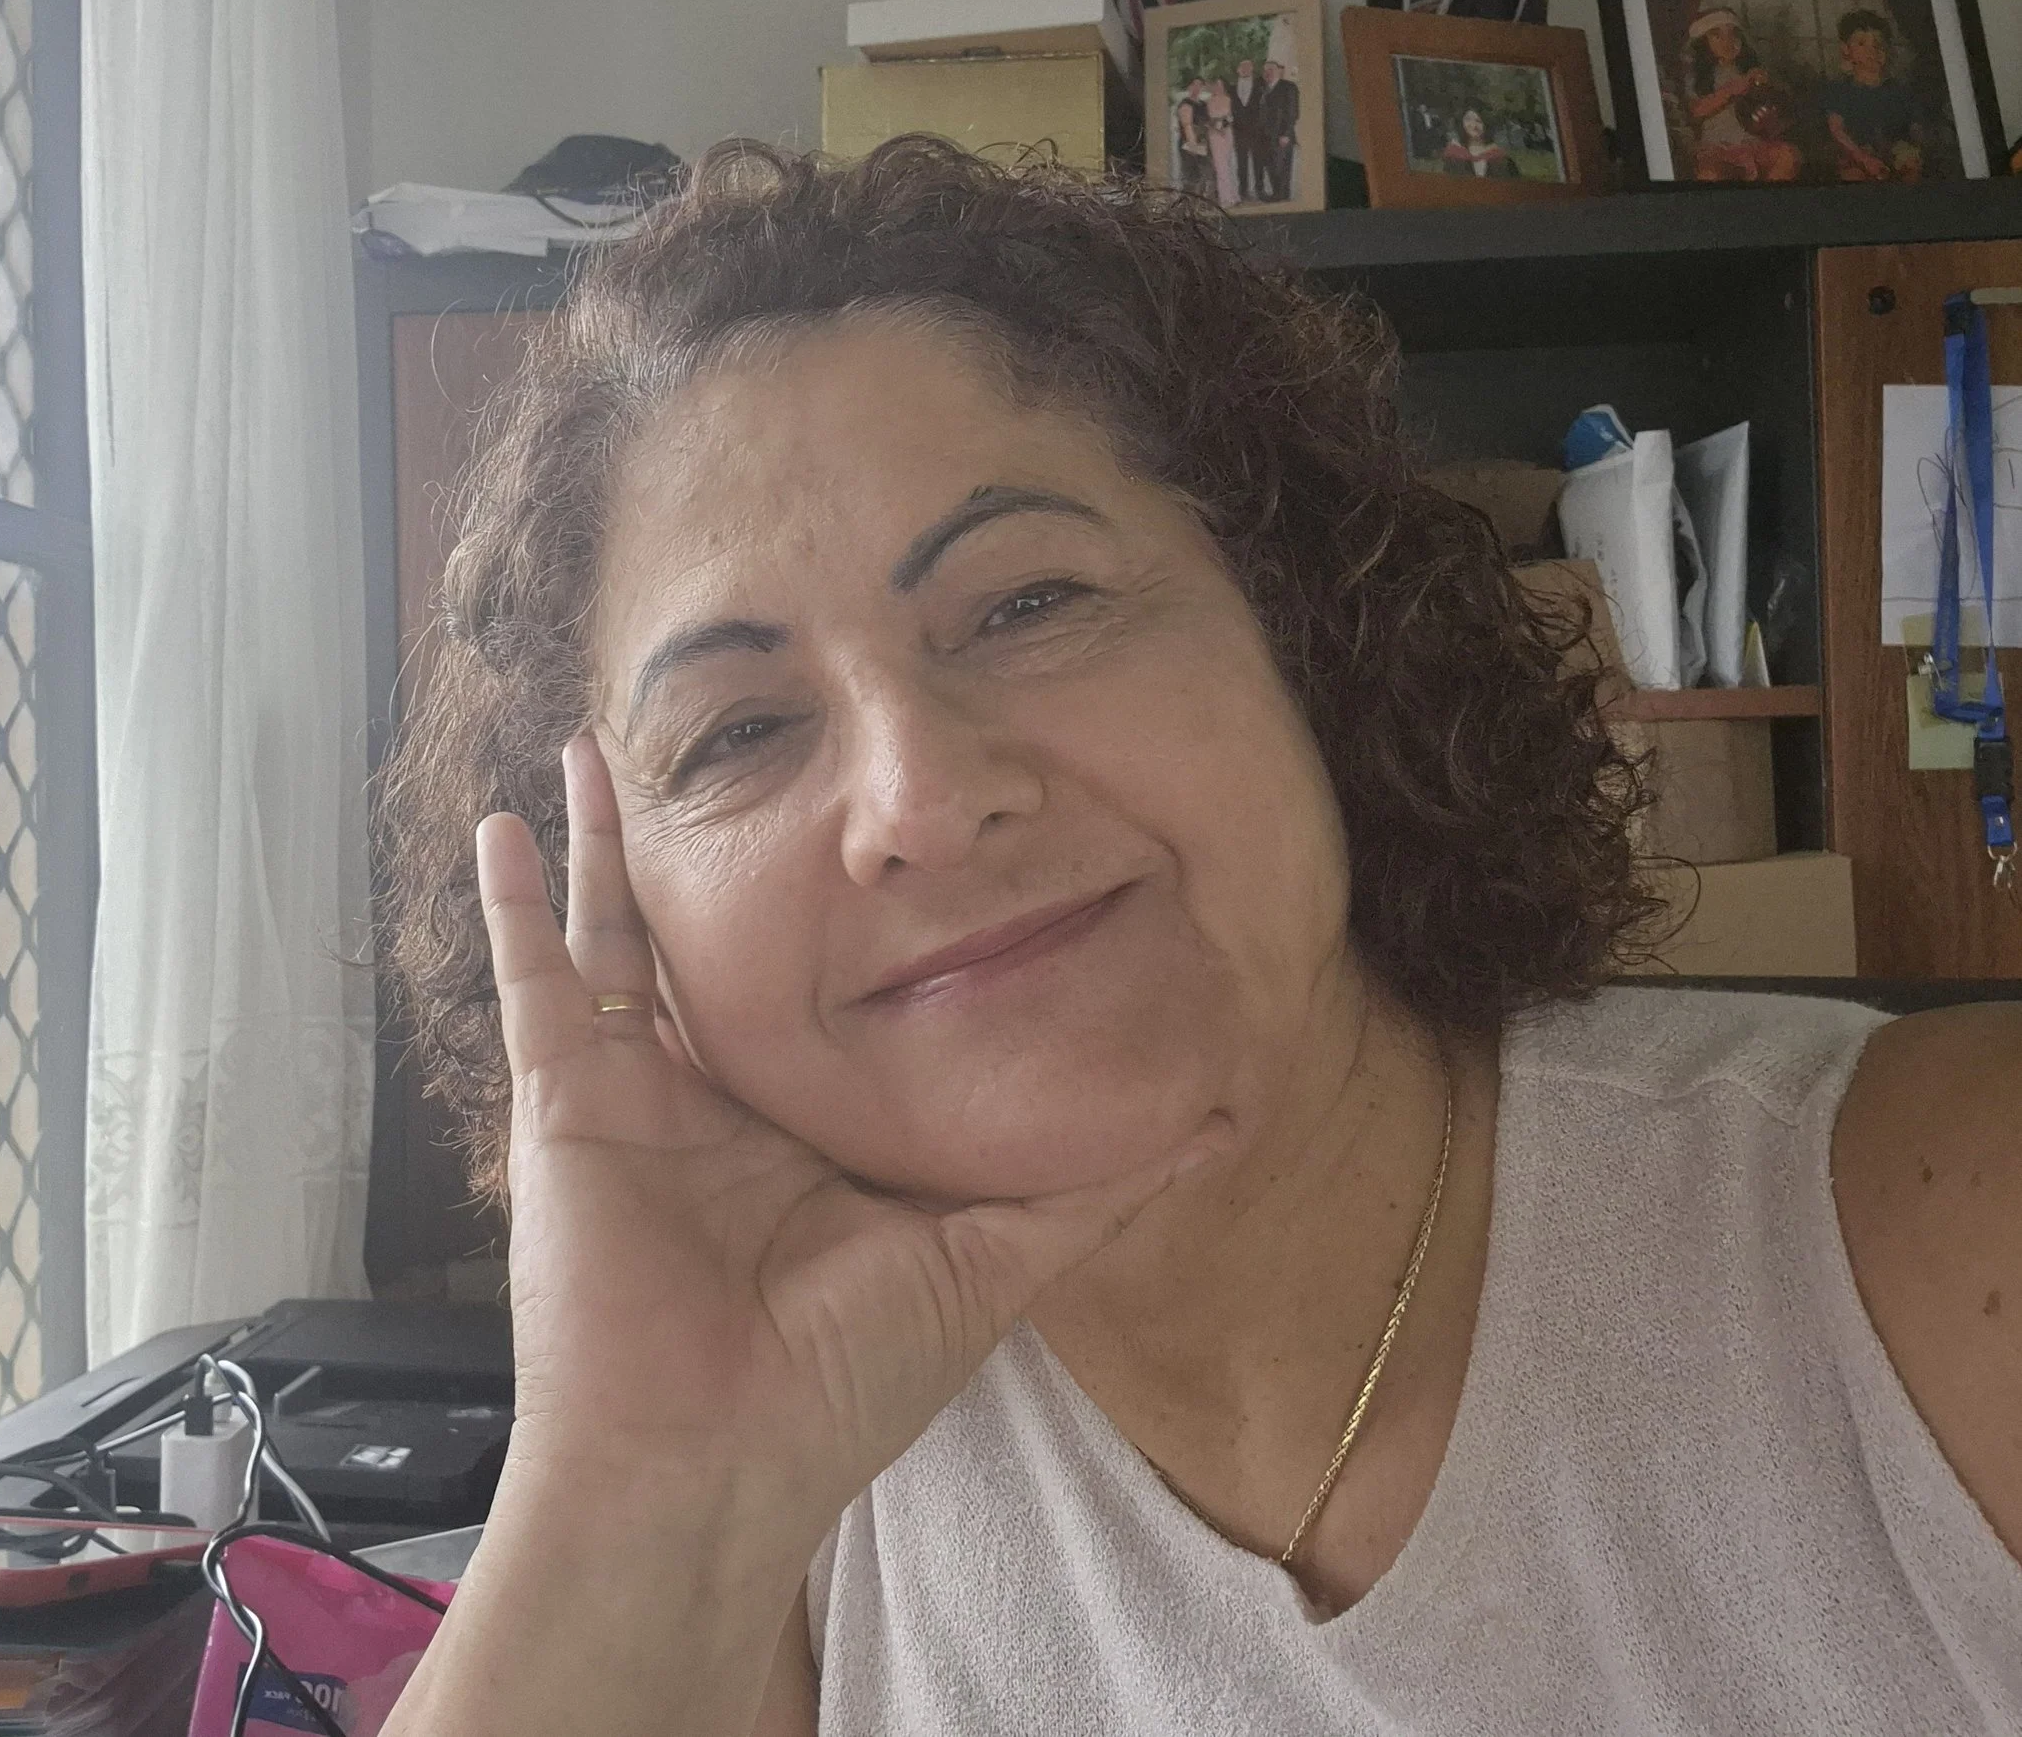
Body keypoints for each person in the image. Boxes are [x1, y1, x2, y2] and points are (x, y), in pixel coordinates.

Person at [375, 141, 2022, 1735]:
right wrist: (636, 1481)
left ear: (1314, 645)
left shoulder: (1935, 1243)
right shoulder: (767, 1515)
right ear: (627, 934)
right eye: (735, 734)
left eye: (1028, 604)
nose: (922, 799)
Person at [1683, 5, 1802, 182]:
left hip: (1751, 143)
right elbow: (1696, 111)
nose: (1728, 41)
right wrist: (1733, 89)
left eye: (1733, 34)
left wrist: (1765, 89)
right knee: (1710, 175)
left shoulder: (1747, 69)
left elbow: (1775, 107)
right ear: (1703, 41)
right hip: (1718, 147)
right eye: (1717, 35)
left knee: (1788, 156)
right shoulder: (1699, 75)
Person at [1822, 7, 1926, 182]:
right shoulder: (1840, 90)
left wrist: (1915, 148)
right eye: (1862, 44)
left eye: (1878, 45)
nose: (1872, 51)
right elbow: (1837, 130)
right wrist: (1863, 158)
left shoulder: (1900, 92)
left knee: (1911, 166)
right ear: (1846, 49)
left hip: (1894, 153)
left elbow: (1916, 129)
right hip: (1855, 154)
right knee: (1852, 176)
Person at [1257, 57, 1300, 205]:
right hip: (1266, 136)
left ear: (1278, 71)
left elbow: (1293, 113)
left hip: (1282, 136)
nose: (1267, 73)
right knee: (1271, 166)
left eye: (1271, 70)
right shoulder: (1264, 88)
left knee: (1282, 167)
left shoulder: (1288, 87)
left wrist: (1286, 134)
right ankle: (1278, 194)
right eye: (1265, 71)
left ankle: (1282, 196)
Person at [1438, 107, 1515, 177]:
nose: (1473, 125)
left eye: (1479, 121)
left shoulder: (1498, 155)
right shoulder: (1454, 153)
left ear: (1486, 125)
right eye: (1468, 119)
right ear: (1461, 123)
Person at [1201, 77, 1241, 208]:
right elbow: (1207, 120)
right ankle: (1225, 199)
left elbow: (1231, 117)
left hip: (1227, 133)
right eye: (1216, 85)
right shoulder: (1209, 102)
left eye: (1220, 85)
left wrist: (1224, 126)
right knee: (1220, 166)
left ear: (1224, 86)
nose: (1218, 88)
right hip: (1215, 135)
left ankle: (1234, 196)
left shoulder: (1228, 99)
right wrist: (1217, 127)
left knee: (1230, 164)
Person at [1172, 84, 1215, 201]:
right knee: (1190, 175)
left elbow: (1208, 122)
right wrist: (1192, 144)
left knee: (1206, 173)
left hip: (1202, 143)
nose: (1196, 88)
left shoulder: (1203, 104)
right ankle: (1187, 204)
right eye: (1193, 85)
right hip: (1189, 143)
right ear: (1189, 87)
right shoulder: (1185, 104)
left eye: (1199, 86)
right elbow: (1187, 125)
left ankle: (1201, 201)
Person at [1229, 55, 1263, 201]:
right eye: (1242, 67)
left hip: (1256, 131)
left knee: (1258, 161)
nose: (1245, 70)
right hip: (1238, 131)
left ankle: (1259, 190)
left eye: (1248, 67)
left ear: (1252, 69)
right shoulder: (1230, 88)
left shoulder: (1260, 86)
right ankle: (1243, 191)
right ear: (1238, 70)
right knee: (1241, 163)